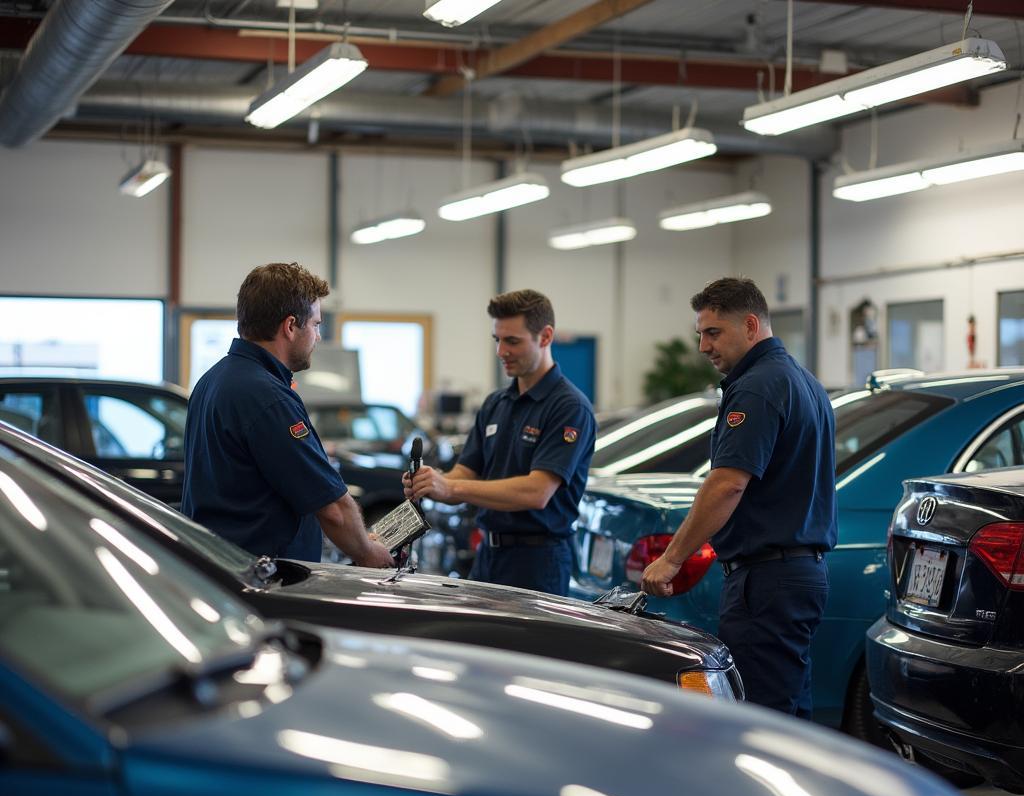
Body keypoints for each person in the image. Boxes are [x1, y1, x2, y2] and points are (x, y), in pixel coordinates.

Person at [640, 277, 836, 717]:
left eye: (714, 333)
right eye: (700, 334)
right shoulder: (802, 381)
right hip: (795, 575)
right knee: (787, 711)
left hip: (768, 581)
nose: (703, 347)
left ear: (750, 325)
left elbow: (728, 483)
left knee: (760, 719)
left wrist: (672, 557)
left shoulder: (756, 386)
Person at [182, 262, 393, 568]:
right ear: (290, 326)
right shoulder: (267, 397)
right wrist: (367, 552)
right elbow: (332, 509)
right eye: (316, 325)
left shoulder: (212, 380)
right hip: (261, 579)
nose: (318, 337)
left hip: (219, 567)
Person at [404, 288, 595, 596]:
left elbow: (537, 491)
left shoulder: (568, 407)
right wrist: (433, 483)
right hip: (489, 555)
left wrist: (451, 487)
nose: (501, 351)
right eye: (498, 340)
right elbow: (465, 474)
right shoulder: (497, 403)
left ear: (545, 337)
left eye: (513, 341)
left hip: (537, 562)